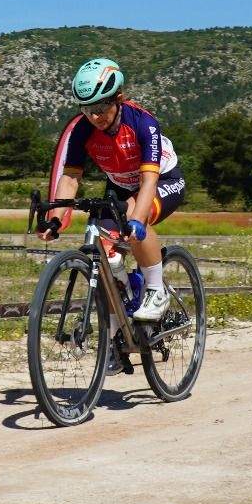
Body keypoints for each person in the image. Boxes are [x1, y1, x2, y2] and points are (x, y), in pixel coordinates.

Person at [39, 58, 186, 324]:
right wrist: (56, 217)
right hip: (120, 186)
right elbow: (71, 176)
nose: (94, 117)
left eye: (100, 108)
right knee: (105, 254)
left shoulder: (143, 122)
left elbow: (149, 180)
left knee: (134, 219)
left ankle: (157, 290)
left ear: (118, 97)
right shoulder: (82, 129)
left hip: (161, 179)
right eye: (87, 109)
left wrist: (136, 222)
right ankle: (116, 340)